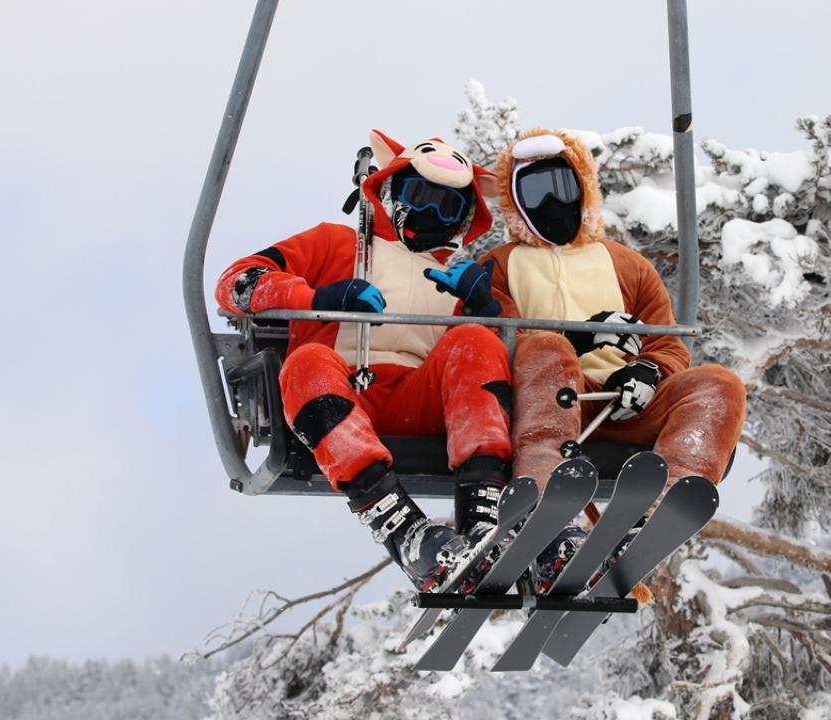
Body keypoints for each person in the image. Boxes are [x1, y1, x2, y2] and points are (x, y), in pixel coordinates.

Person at [215, 131, 513, 591]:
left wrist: (482, 309)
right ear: (392, 190)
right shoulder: (335, 244)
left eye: (449, 207)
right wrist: (315, 299)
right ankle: (402, 527)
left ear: (464, 219)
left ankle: (483, 517)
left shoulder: (458, 275)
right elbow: (236, 283)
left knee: (475, 340)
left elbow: (494, 367)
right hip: (347, 398)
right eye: (421, 196)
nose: (432, 215)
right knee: (307, 361)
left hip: (421, 404)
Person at [478, 128, 747, 589]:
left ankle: (660, 513)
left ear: (582, 188)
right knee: (546, 349)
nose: (551, 204)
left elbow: (666, 343)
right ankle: (544, 513)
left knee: (719, 384)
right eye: (535, 193)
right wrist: (574, 341)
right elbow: (491, 339)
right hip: (546, 407)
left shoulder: (627, 266)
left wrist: (647, 371)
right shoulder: (499, 266)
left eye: (561, 188)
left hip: (623, 406)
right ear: (515, 202)